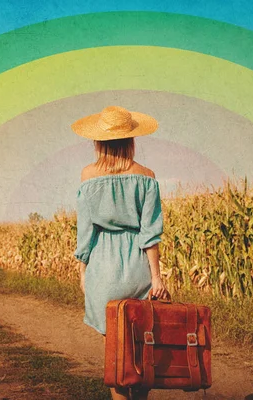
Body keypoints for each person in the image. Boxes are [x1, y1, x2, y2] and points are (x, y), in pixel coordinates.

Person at [71, 106, 170, 400]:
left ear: (98, 142)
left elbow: (85, 233)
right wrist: (157, 277)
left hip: (103, 271)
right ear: (131, 140)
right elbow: (150, 234)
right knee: (143, 350)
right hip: (138, 269)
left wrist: (83, 273)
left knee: (117, 357)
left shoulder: (87, 176)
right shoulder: (147, 176)